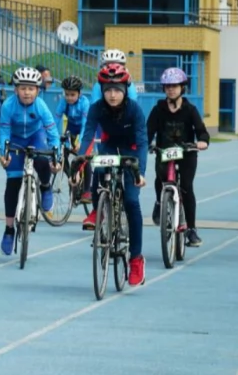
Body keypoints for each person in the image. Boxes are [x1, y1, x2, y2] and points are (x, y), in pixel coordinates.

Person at [76, 63, 148, 287]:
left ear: (125, 90)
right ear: (102, 90)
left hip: (132, 152)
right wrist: (78, 165)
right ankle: (99, 210)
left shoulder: (134, 109)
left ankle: (136, 259)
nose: (113, 95)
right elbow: (88, 137)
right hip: (109, 147)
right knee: (98, 168)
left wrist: (140, 173)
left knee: (131, 201)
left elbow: (143, 141)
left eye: (117, 89)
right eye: (108, 90)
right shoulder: (97, 108)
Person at [0, 67, 61, 256]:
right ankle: (9, 229)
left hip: (35, 135)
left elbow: (53, 134)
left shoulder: (41, 106)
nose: (27, 92)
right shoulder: (8, 106)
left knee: (42, 158)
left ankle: (44, 186)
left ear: (38, 91)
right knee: (13, 182)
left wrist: (56, 158)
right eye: (23, 88)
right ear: (16, 90)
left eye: (31, 89)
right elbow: (4, 134)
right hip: (16, 139)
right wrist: (4, 154)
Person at [147, 67, 209, 248]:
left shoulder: (190, 110)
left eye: (174, 86)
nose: (171, 90)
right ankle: (160, 202)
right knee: (160, 178)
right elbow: (148, 131)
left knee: (187, 187)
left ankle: (191, 229)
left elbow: (202, 132)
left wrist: (202, 142)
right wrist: (146, 143)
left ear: (183, 87)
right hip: (164, 151)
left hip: (187, 153)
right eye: (167, 87)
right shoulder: (158, 109)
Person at [55, 76, 92, 204]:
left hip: (85, 130)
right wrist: (53, 137)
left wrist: (80, 141)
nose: (69, 97)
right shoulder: (63, 102)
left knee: (84, 157)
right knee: (62, 153)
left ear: (79, 93)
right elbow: (56, 120)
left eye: (72, 95)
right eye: (67, 94)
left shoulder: (84, 103)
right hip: (71, 129)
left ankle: (87, 190)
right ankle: (71, 176)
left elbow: (85, 124)